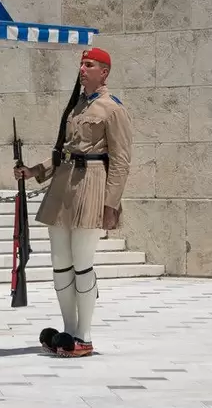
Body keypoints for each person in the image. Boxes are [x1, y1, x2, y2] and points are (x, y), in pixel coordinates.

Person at [13, 47, 132, 358]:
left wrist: (110, 204)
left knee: (82, 262)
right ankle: (69, 330)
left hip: (91, 185)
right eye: (81, 64)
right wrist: (34, 171)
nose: (82, 69)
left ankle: (85, 335)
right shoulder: (76, 106)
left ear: (104, 72)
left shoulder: (112, 109)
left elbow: (121, 162)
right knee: (60, 263)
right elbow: (64, 151)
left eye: (89, 64)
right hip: (63, 187)